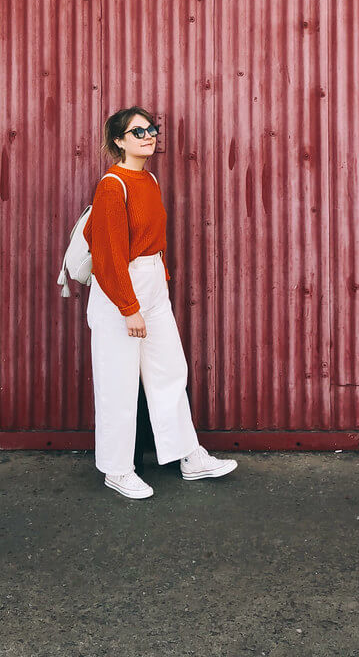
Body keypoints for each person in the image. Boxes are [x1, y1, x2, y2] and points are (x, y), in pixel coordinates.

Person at [83, 106, 237, 500]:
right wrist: (128, 305)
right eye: (137, 132)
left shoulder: (148, 180)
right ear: (118, 141)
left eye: (151, 129)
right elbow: (108, 255)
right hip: (121, 288)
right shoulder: (112, 186)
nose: (149, 136)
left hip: (152, 284)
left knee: (169, 371)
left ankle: (188, 456)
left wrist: (154, 289)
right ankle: (118, 470)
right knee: (118, 381)